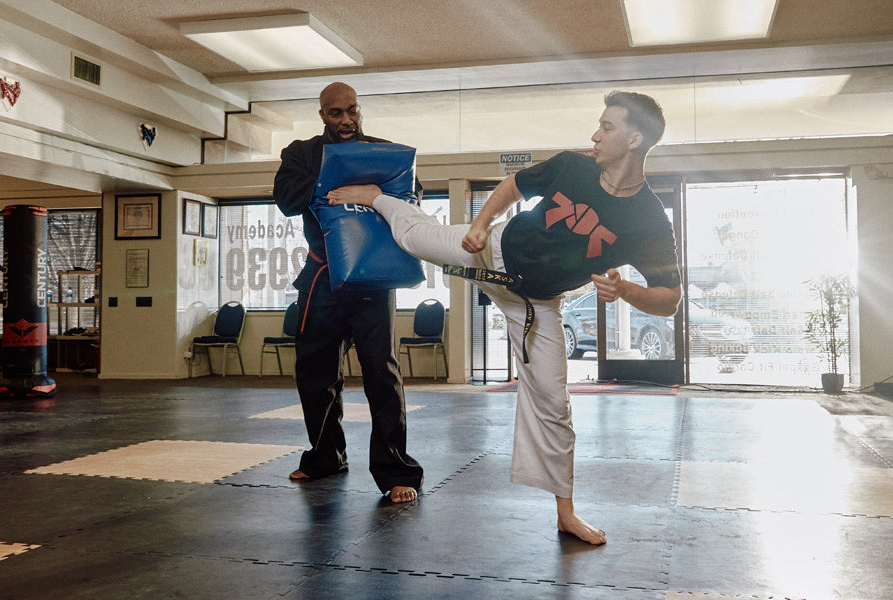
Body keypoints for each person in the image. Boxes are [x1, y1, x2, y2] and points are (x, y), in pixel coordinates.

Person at [327, 91, 682, 543]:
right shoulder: (573, 166)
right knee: (416, 237)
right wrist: (480, 223)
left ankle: (565, 513)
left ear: (634, 139)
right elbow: (515, 184)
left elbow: (670, 299)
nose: (595, 135)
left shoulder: (649, 220)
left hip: (534, 304)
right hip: (490, 252)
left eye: (607, 127)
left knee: (554, 403)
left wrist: (628, 290)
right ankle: (378, 198)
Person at [272, 82, 423, 504]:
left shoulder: (382, 152)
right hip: (322, 276)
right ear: (322, 115)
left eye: (352, 111)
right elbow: (285, 198)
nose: (346, 121)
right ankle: (325, 458)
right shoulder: (301, 154)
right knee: (316, 373)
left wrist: (371, 193)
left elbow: (411, 196)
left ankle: (397, 471)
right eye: (335, 113)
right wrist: (334, 175)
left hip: (373, 276)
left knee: (382, 373)